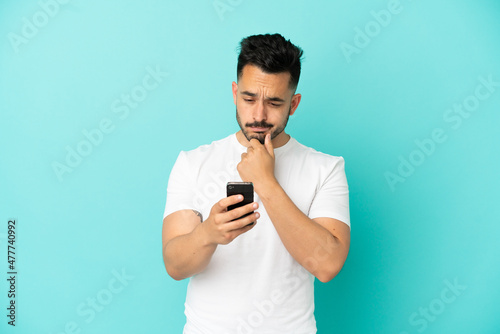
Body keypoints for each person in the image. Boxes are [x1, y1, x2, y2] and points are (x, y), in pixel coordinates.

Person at [162, 33, 350, 334]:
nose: (259, 115)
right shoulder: (192, 162)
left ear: (294, 104)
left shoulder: (326, 168)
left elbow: (327, 265)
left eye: (274, 102)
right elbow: (175, 265)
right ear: (235, 93)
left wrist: (265, 181)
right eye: (249, 99)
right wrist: (209, 233)